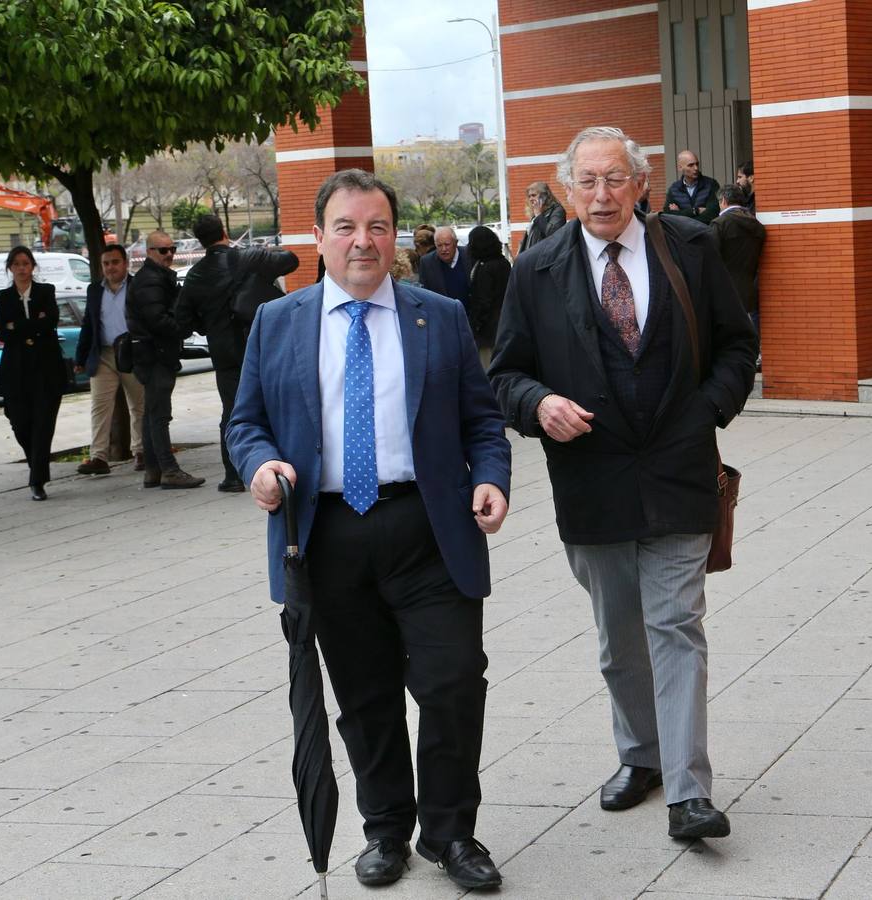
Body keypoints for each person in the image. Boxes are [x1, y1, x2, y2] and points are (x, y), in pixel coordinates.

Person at [226, 169, 512, 891]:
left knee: (452, 683)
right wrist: (260, 467)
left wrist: (490, 477)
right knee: (365, 695)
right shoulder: (278, 321)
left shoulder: (437, 317)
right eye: (347, 227)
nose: (363, 241)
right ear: (317, 238)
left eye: (378, 226)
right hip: (327, 536)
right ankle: (386, 828)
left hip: (427, 528)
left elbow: (483, 421)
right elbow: (246, 423)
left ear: (395, 238)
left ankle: (451, 833)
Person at [489, 126, 757, 840]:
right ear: (568, 190)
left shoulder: (691, 248)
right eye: (588, 182)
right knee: (619, 638)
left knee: (675, 624)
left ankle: (689, 792)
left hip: (678, 470)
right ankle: (641, 756)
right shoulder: (536, 269)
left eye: (615, 180)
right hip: (592, 480)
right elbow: (506, 373)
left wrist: (710, 408)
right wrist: (539, 405)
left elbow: (738, 342)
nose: (602, 195)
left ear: (642, 184)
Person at [176, 214, 299, 493]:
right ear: (224, 231)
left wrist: (208, 324)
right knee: (275, 403)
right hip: (261, 344)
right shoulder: (248, 258)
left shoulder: (196, 274)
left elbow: (182, 319)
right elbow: (290, 259)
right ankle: (279, 463)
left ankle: (233, 474)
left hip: (224, 352)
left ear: (200, 239)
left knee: (232, 411)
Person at [126, 231, 204, 489]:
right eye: (163, 250)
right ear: (149, 252)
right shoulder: (151, 281)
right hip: (155, 354)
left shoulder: (155, 278)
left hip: (152, 354)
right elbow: (158, 320)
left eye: (172, 249)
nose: (169, 254)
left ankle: (154, 469)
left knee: (152, 413)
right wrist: (183, 328)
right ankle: (168, 469)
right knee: (159, 415)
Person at [0, 246, 66, 501]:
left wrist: (19, 326)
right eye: (17, 264)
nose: (22, 268)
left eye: (26, 263)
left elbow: (51, 322)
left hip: (46, 369)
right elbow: (2, 332)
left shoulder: (46, 292)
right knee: (20, 422)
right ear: (10, 268)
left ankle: (37, 480)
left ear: (33, 266)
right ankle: (36, 464)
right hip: (16, 371)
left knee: (43, 425)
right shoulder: (3, 297)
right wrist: (33, 325)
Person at [74, 243, 146, 474]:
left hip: (131, 352)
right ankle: (99, 457)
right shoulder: (95, 290)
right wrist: (80, 357)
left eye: (115, 262)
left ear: (125, 263)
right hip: (103, 354)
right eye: (106, 263)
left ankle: (141, 452)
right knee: (99, 406)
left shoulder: (137, 287)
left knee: (139, 405)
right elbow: (88, 324)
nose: (110, 267)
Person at [711, 183, 765, 337]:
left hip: (724, 290)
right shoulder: (757, 225)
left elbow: (710, 257)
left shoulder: (719, 224)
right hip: (749, 289)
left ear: (723, 201)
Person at [464, 225, 510, 366]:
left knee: (487, 367)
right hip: (506, 325)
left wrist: (476, 326)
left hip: (488, 331)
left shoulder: (485, 268)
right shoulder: (504, 263)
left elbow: (483, 301)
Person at [663, 150, 721, 223]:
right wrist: (695, 211)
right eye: (691, 165)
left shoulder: (711, 184)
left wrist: (681, 214)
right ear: (680, 167)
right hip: (683, 234)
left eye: (697, 164)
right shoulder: (674, 189)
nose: (696, 168)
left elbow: (713, 213)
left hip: (705, 232)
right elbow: (668, 215)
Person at [417, 226, 469, 305]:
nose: (444, 249)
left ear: (456, 242)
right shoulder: (427, 262)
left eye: (447, 244)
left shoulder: (469, 255)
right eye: (439, 245)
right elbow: (425, 293)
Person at [518, 181, 566, 253]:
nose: (531, 199)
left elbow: (553, 233)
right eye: (529, 196)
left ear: (544, 196)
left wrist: (539, 215)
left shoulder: (557, 210)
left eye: (534, 195)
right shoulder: (536, 214)